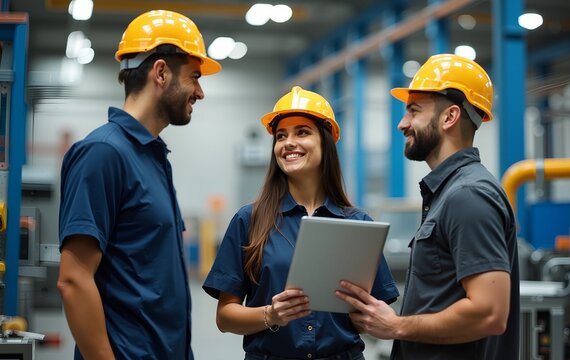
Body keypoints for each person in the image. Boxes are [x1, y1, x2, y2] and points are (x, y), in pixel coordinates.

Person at [57, 10, 221, 360]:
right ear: (161, 72)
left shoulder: (152, 156)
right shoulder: (103, 153)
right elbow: (74, 281)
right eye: (194, 77)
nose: (200, 92)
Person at [335, 53, 520, 360]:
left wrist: (396, 326)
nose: (402, 124)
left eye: (414, 111)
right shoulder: (449, 193)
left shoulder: (468, 195)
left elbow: (489, 313)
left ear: (449, 117)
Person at [202, 86, 400, 360]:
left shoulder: (358, 225)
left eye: (302, 132)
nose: (288, 143)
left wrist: (369, 315)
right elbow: (225, 317)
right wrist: (271, 315)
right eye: (281, 136)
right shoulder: (249, 221)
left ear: (326, 142)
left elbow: (371, 314)